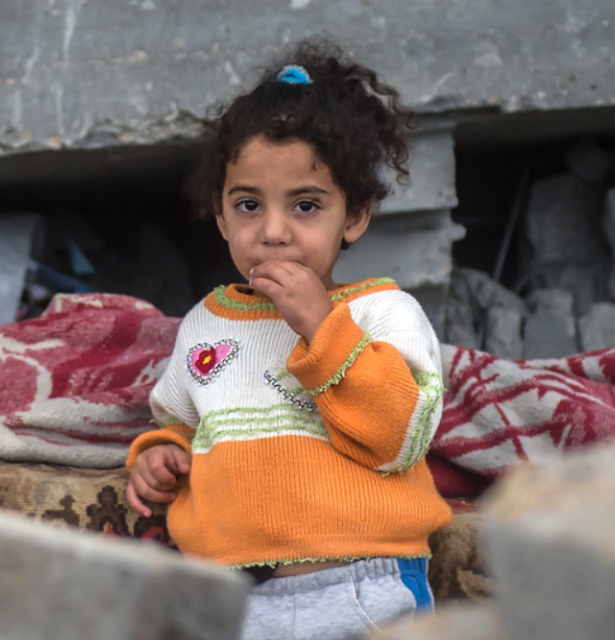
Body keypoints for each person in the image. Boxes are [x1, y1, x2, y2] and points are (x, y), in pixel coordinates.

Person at [125, 38, 452, 640]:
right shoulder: (206, 323)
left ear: (354, 216)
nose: (271, 232)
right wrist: (158, 456)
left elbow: (400, 439)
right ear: (221, 217)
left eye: (305, 205)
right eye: (248, 205)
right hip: (234, 597)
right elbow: (182, 419)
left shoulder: (383, 313)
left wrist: (323, 327)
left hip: (364, 587)